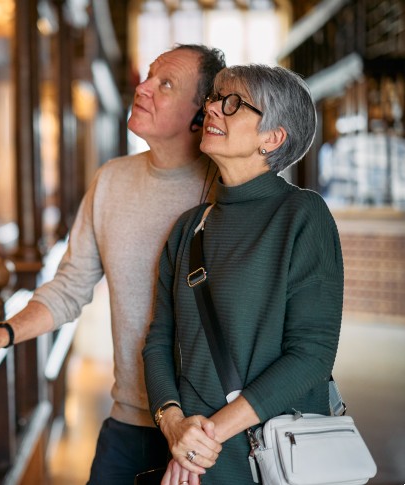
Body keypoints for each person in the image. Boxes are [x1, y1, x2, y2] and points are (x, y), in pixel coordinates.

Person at [0, 44, 226, 483]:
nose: (143, 88)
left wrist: (208, 431)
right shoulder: (111, 180)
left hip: (212, 433)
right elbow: (70, 287)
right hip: (130, 419)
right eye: (147, 75)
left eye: (165, 84)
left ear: (200, 113)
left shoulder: (226, 190)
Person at [142, 64, 344, 484]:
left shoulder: (302, 216)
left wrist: (202, 439)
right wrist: (173, 424)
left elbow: (311, 356)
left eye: (232, 104)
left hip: (272, 457)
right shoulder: (188, 227)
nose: (213, 109)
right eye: (215, 98)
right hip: (194, 459)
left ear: (272, 138)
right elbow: (160, 340)